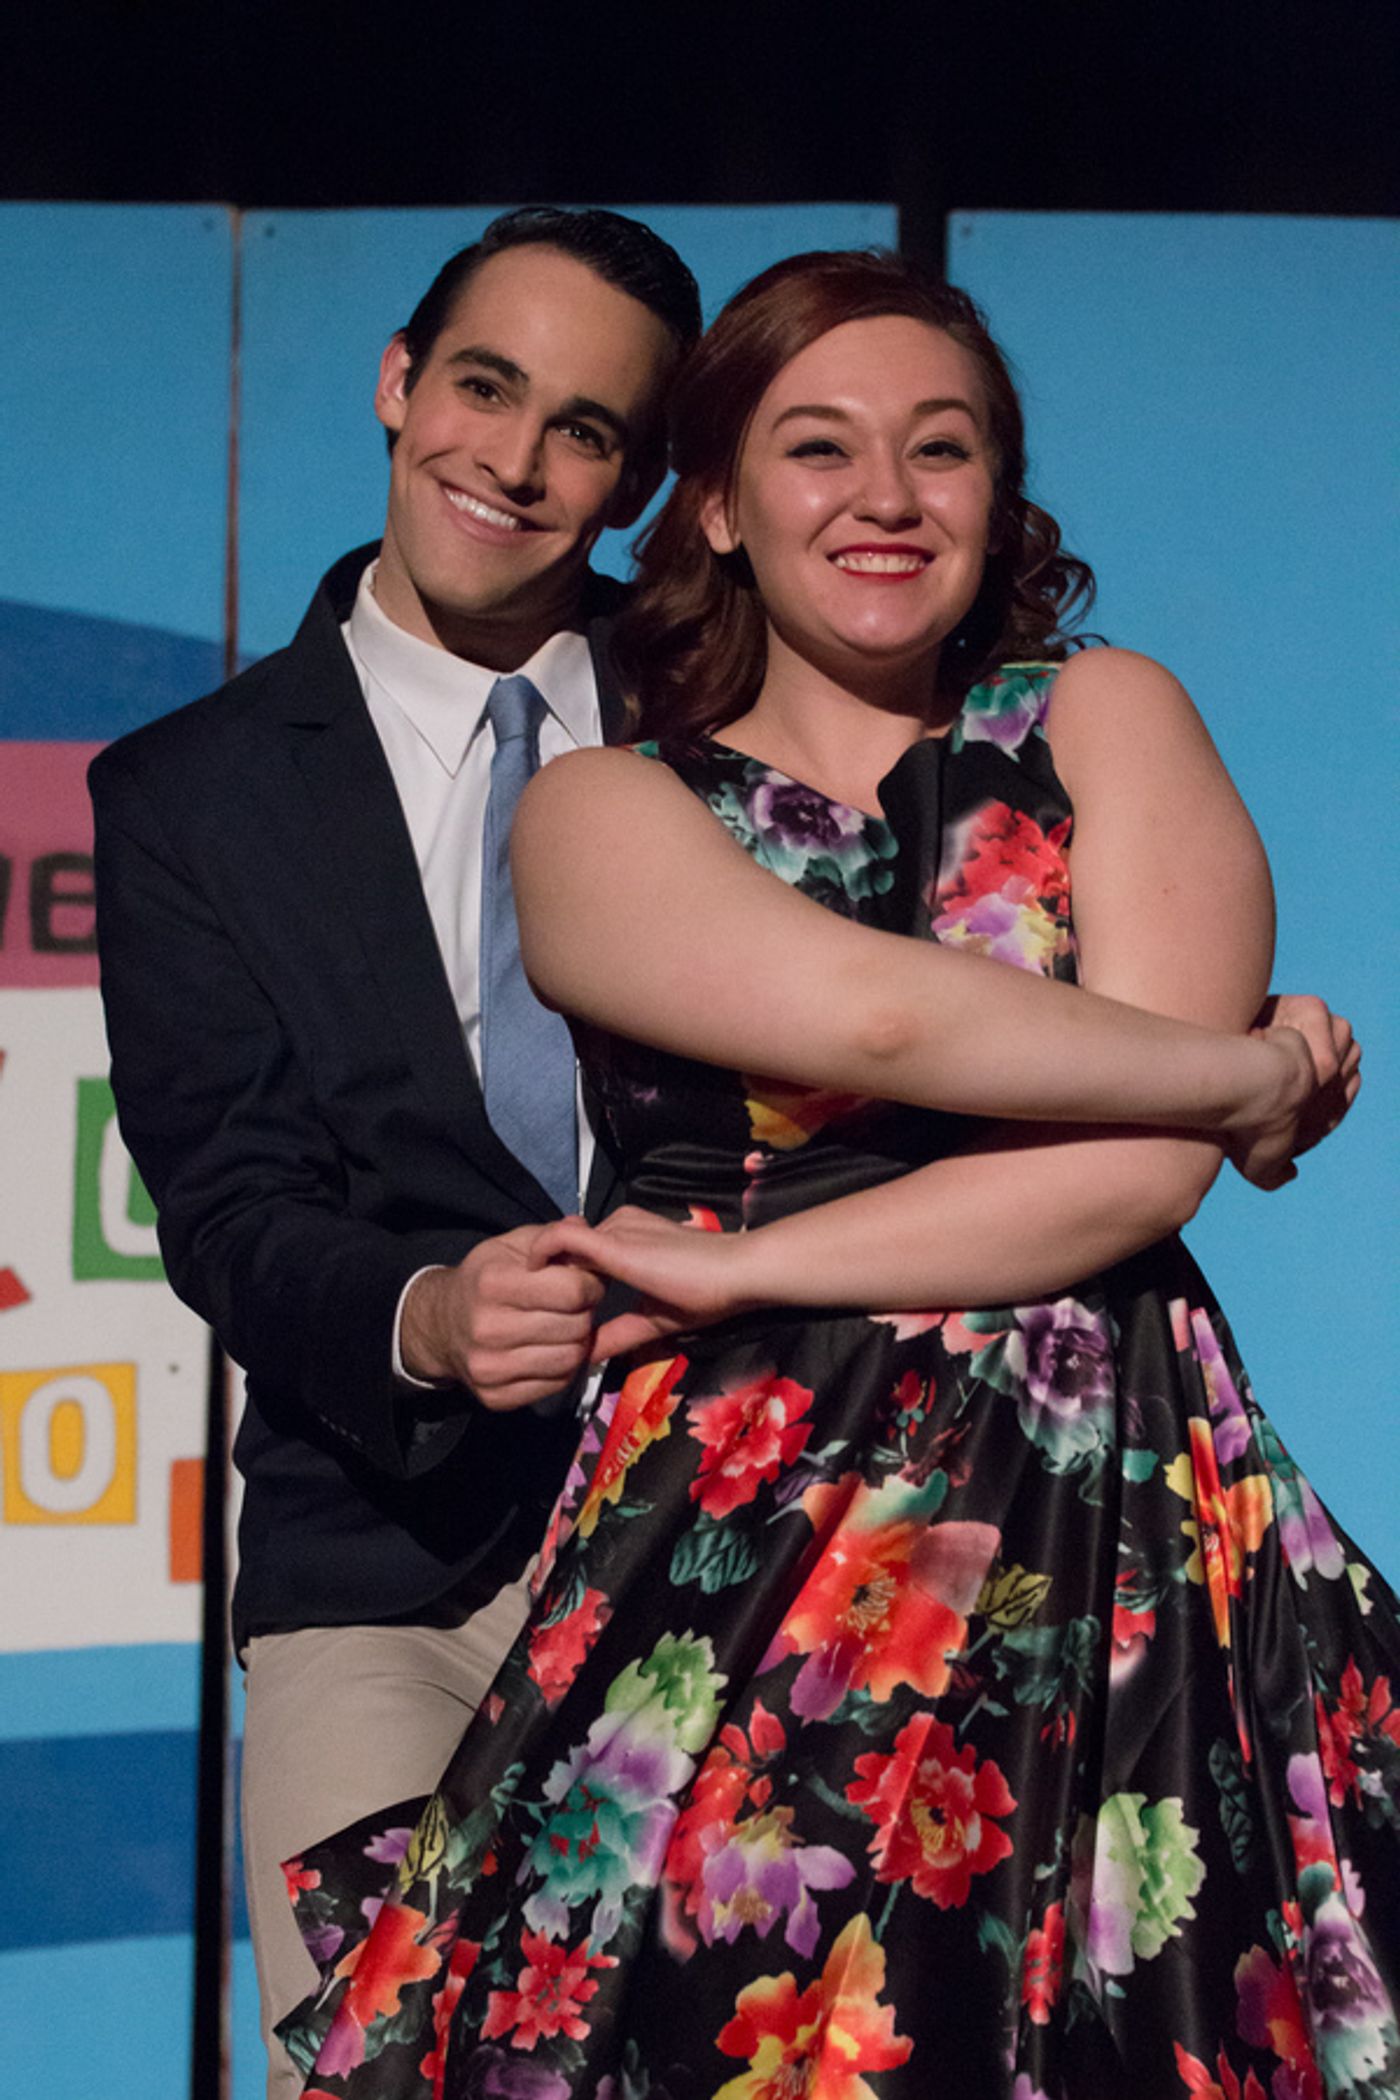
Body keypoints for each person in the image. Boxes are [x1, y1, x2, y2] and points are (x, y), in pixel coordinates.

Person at [279, 252, 1397, 2096]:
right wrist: (1251, 1071)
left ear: (997, 494)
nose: (885, 498)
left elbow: (1138, 1187)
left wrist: (733, 1268)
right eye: (818, 448)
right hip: (744, 1540)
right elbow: (874, 1025)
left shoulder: (1110, 714)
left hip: (1112, 1526)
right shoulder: (607, 809)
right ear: (712, 502)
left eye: (939, 451)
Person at [88, 206, 703, 2097]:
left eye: (583, 430)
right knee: (375, 2071)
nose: (512, 464)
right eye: (483, 389)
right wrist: (426, 1314)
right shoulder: (185, 793)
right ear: (395, 385)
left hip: (723, 1527)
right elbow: (230, 1205)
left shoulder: (725, 727)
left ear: (643, 476)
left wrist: (1204, 1055)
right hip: (383, 1567)